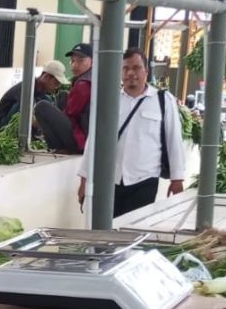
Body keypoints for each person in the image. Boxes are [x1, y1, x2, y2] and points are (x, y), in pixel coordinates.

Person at [76, 48, 187, 218]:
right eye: (126, 68)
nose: (130, 73)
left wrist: (177, 179)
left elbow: (174, 140)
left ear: (146, 71)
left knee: (132, 231)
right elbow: (94, 140)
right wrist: (84, 179)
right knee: (106, 230)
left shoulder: (164, 101)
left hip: (145, 180)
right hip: (109, 180)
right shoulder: (109, 100)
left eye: (136, 68)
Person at [0, 60, 67, 133]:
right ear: (46, 77)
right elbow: (25, 114)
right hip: (1, 124)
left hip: (16, 118)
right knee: (27, 103)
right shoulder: (27, 88)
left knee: (46, 102)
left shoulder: (42, 92)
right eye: (56, 83)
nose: (57, 87)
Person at [61, 42, 95, 153]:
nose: (75, 65)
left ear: (93, 61)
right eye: (72, 61)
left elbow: (70, 112)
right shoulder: (97, 78)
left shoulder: (83, 84)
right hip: (90, 137)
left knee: (43, 108)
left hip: (81, 139)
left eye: (80, 60)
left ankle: (60, 147)